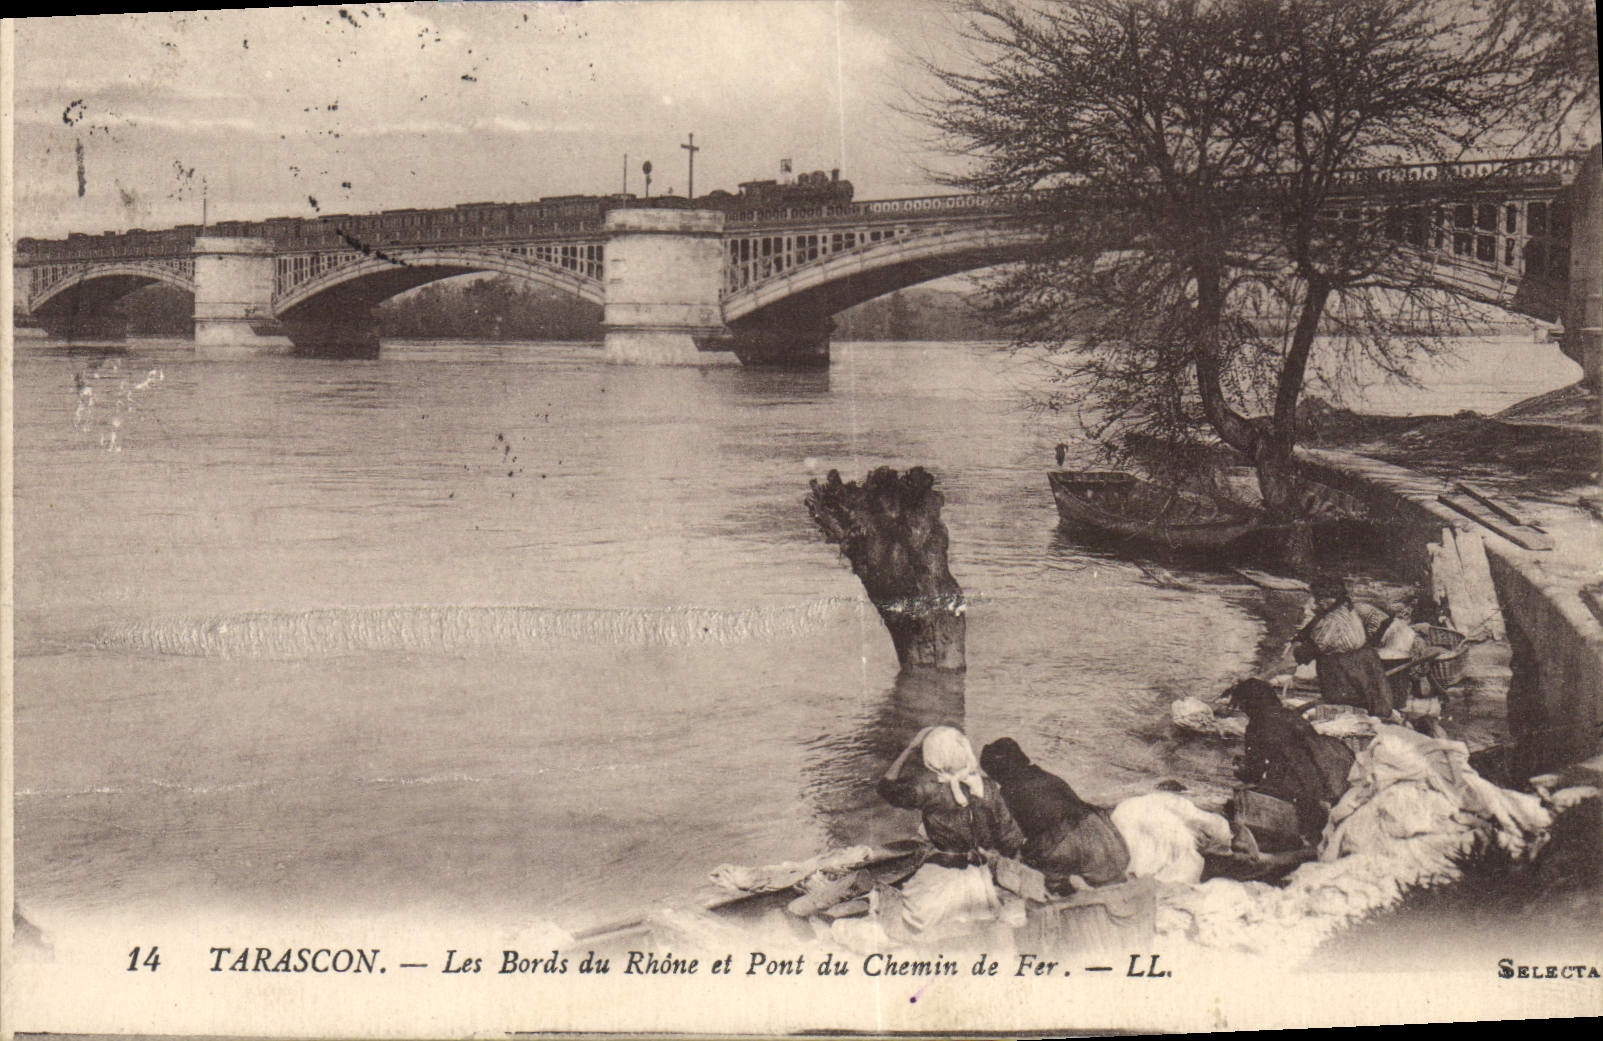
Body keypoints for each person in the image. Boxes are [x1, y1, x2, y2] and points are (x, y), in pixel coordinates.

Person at [873, 726, 1026, 935]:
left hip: (940, 880)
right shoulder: (986, 787)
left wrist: (911, 748)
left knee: (907, 913)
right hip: (977, 881)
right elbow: (1010, 838)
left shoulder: (928, 789)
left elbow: (885, 787)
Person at [979, 737, 1129, 891]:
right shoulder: (1045, 775)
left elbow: (1011, 838)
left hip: (1066, 847)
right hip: (1103, 837)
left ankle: (1070, 885)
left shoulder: (1009, 792)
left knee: (1039, 875)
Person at [1225, 678, 1355, 842]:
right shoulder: (1291, 715)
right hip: (1327, 778)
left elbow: (1254, 772)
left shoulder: (1256, 726)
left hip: (1300, 786)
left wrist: (1240, 769)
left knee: (1234, 805)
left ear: (1250, 704)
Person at [1291, 574, 1396, 718]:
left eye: (1318, 599)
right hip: (1366, 671)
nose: (1316, 603)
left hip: (1348, 681)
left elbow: (1305, 653)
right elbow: (1311, 626)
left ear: (1328, 599)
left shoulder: (1332, 621)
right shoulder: (1347, 607)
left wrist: (1296, 649)